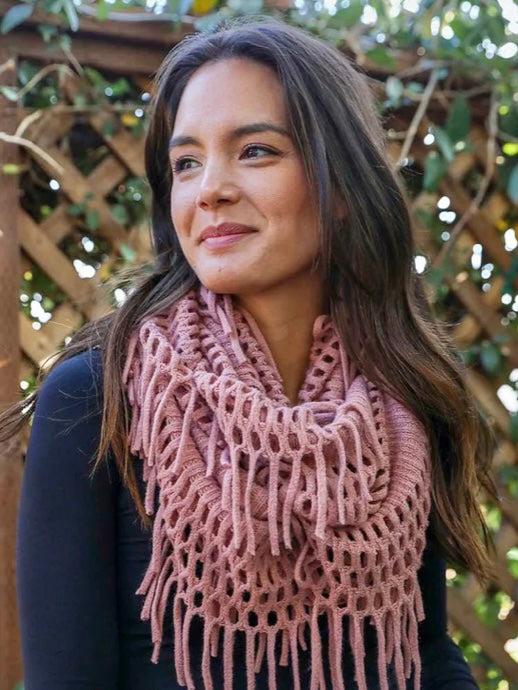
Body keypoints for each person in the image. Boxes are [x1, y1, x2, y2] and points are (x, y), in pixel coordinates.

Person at [2, 17, 499, 690]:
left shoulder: (403, 403)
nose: (209, 188)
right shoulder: (98, 398)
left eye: (256, 151)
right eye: (186, 163)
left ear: (342, 186)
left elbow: (426, 652)